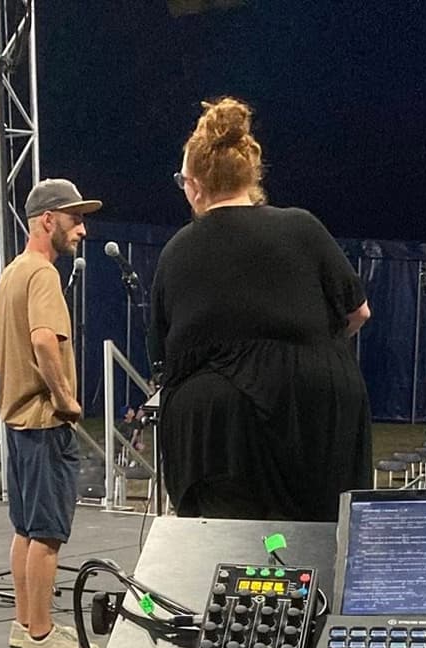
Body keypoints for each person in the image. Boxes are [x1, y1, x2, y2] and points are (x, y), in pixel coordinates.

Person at [150, 97, 372, 521]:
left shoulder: (176, 251)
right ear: (250, 177)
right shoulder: (301, 226)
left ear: (194, 186)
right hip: (315, 420)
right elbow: (359, 313)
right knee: (319, 538)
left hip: (217, 433)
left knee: (230, 544)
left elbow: (164, 353)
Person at [0, 177, 98, 648]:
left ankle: (25, 623)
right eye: (75, 219)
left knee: (26, 530)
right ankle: (43, 637)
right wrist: (64, 398)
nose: (82, 229)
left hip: (18, 424)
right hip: (46, 423)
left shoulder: (13, 272)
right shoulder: (44, 275)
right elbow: (45, 340)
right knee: (47, 534)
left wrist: (17, 378)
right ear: (48, 220)